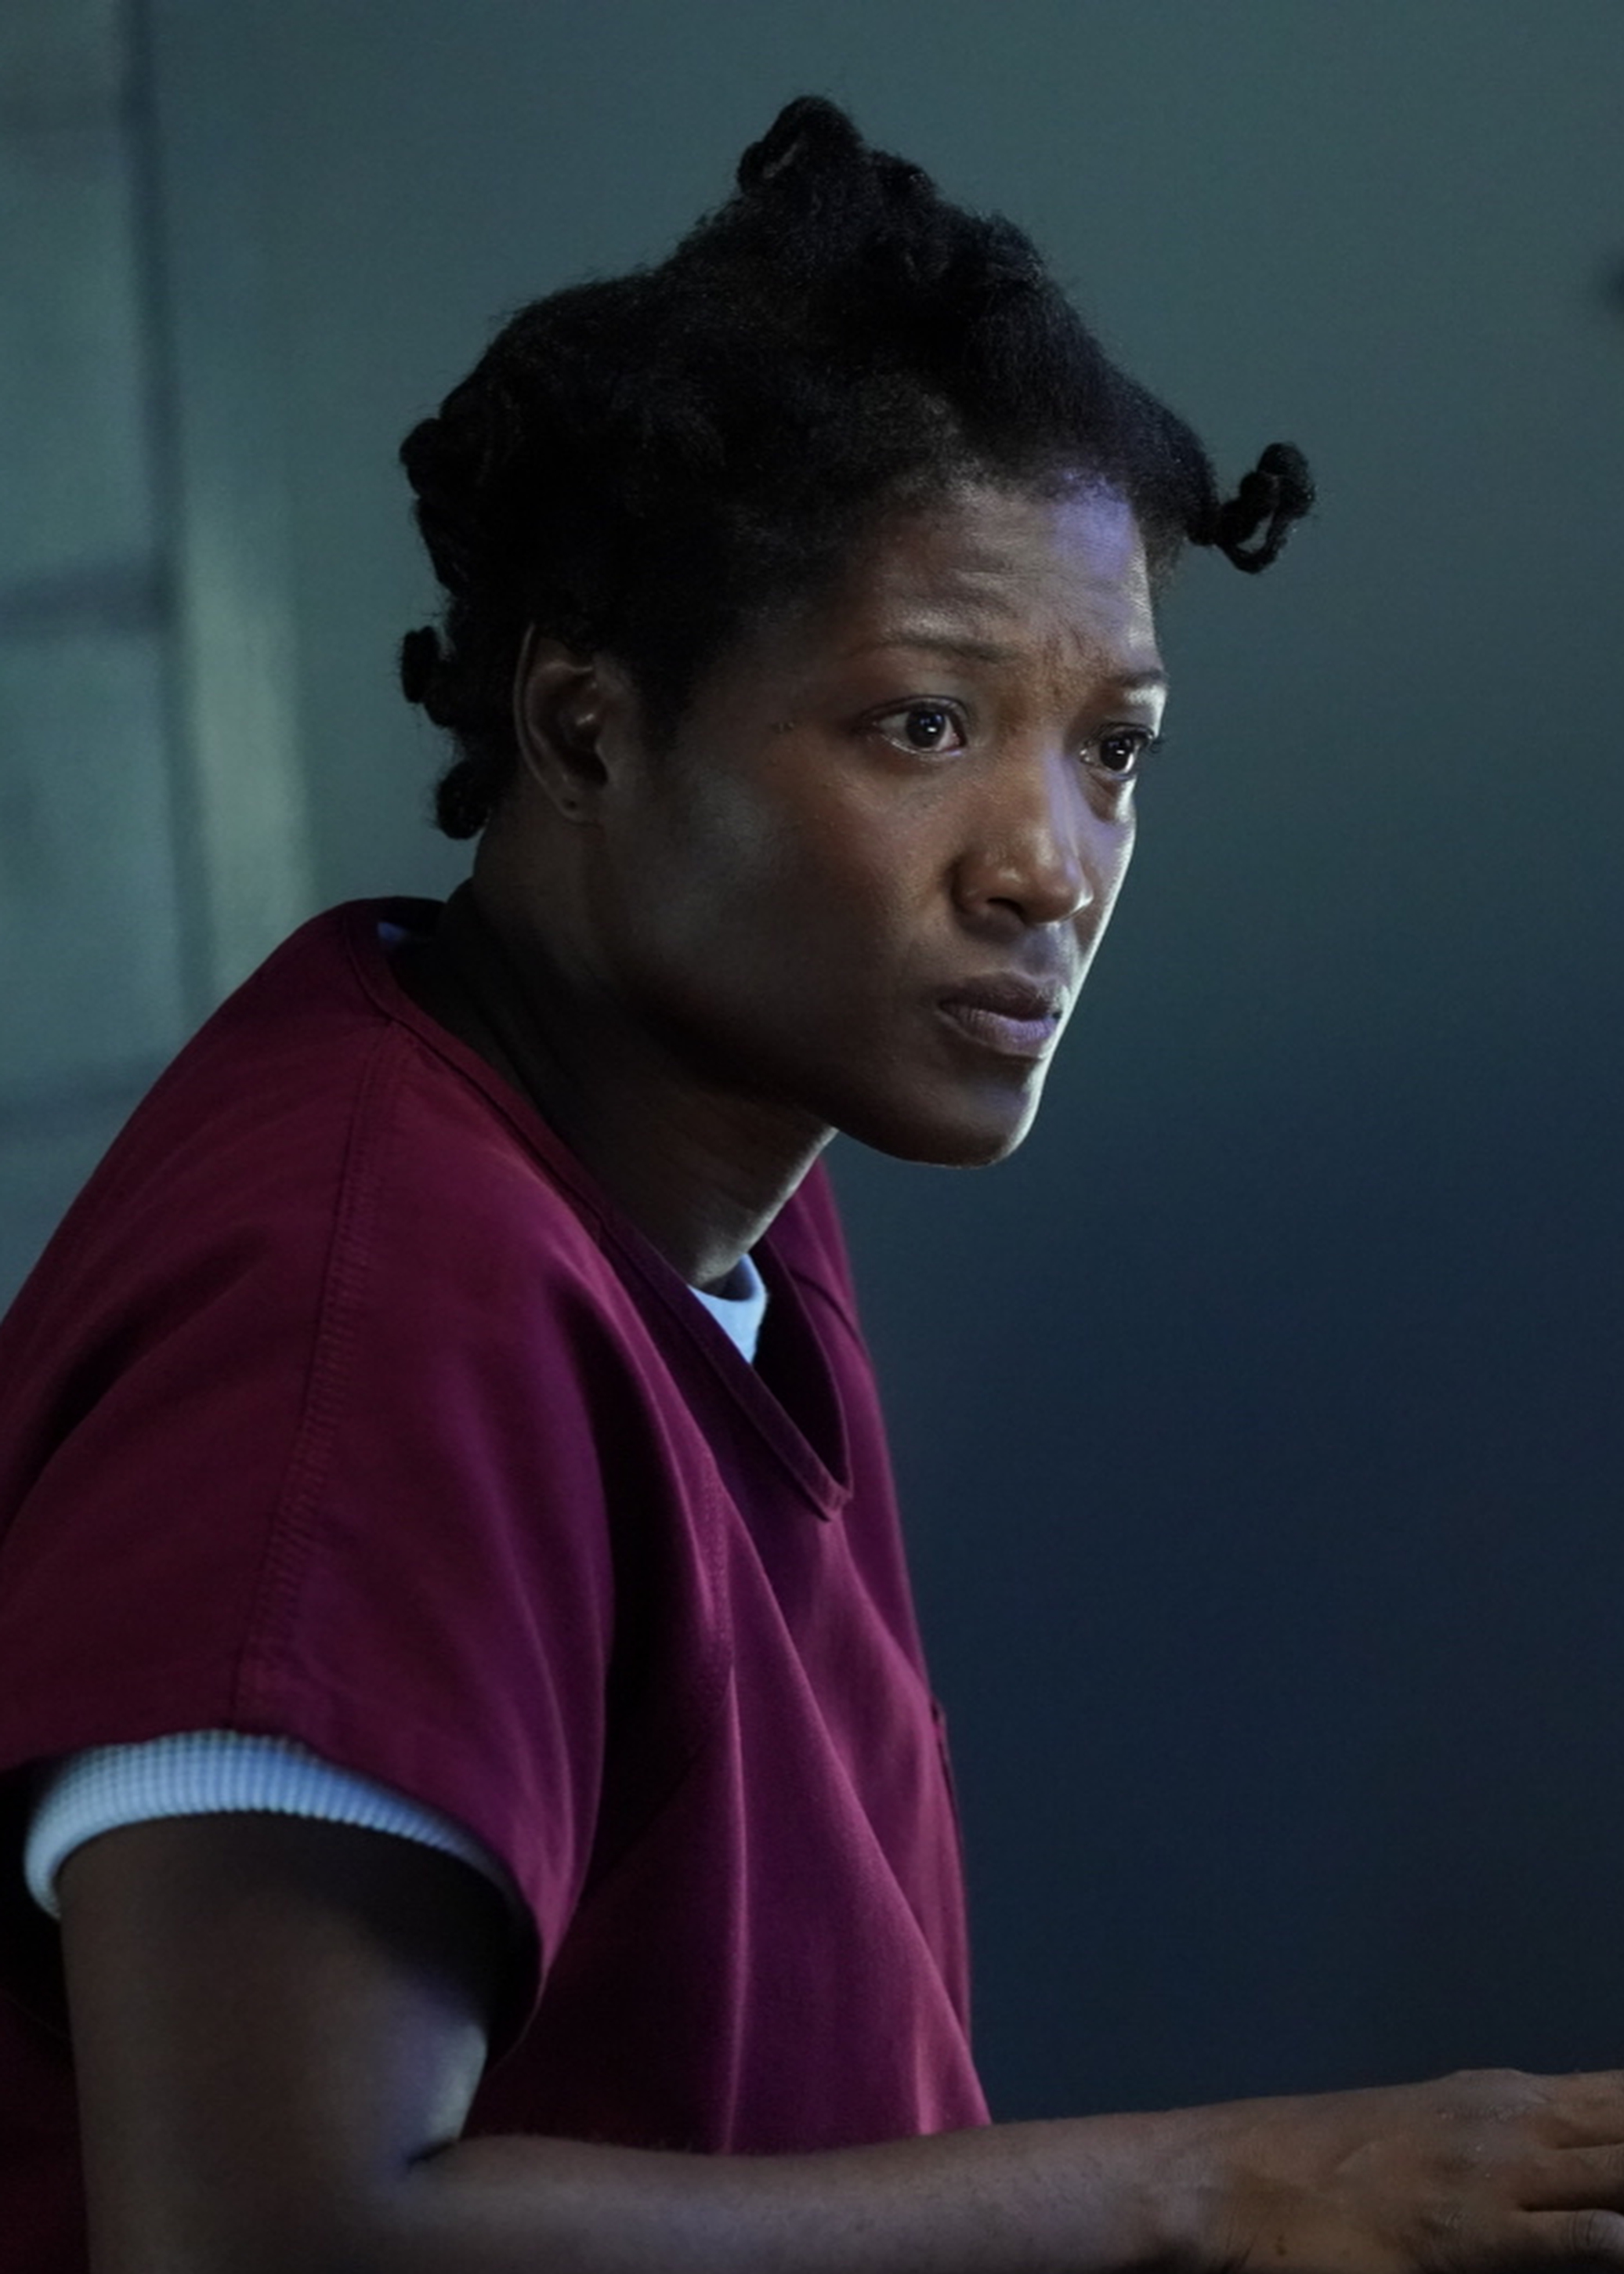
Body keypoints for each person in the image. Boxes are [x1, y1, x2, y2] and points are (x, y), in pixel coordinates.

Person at [1, 91, 1622, 2274]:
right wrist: (1224, 2190)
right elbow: (268, 2237)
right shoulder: (365, 1311)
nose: (1050, 865)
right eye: (923, 725)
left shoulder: (699, 1167)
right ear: (585, 731)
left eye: (1114, 748)